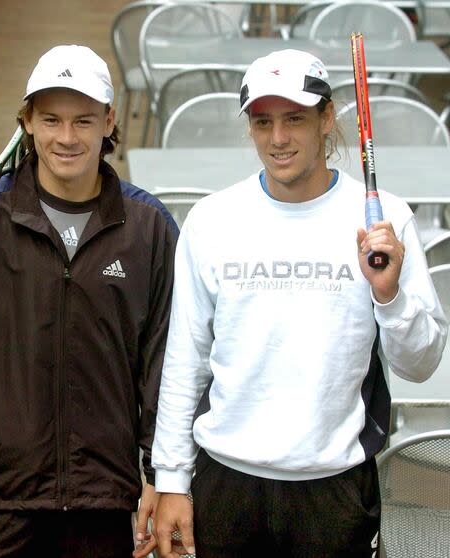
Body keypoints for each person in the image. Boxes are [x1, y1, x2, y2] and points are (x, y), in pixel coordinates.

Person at [151, 49, 448, 558]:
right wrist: (172, 479)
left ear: (327, 118)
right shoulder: (211, 220)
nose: (278, 138)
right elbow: (185, 361)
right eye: (263, 122)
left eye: (294, 119)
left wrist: (389, 295)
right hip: (225, 482)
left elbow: (419, 365)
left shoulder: (387, 221)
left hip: (335, 488)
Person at [0, 44, 178, 557]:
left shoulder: (148, 227)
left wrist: (162, 472)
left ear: (110, 122)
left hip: (102, 499)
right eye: (51, 120)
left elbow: (164, 364)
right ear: (26, 122)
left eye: (84, 121)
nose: (67, 137)